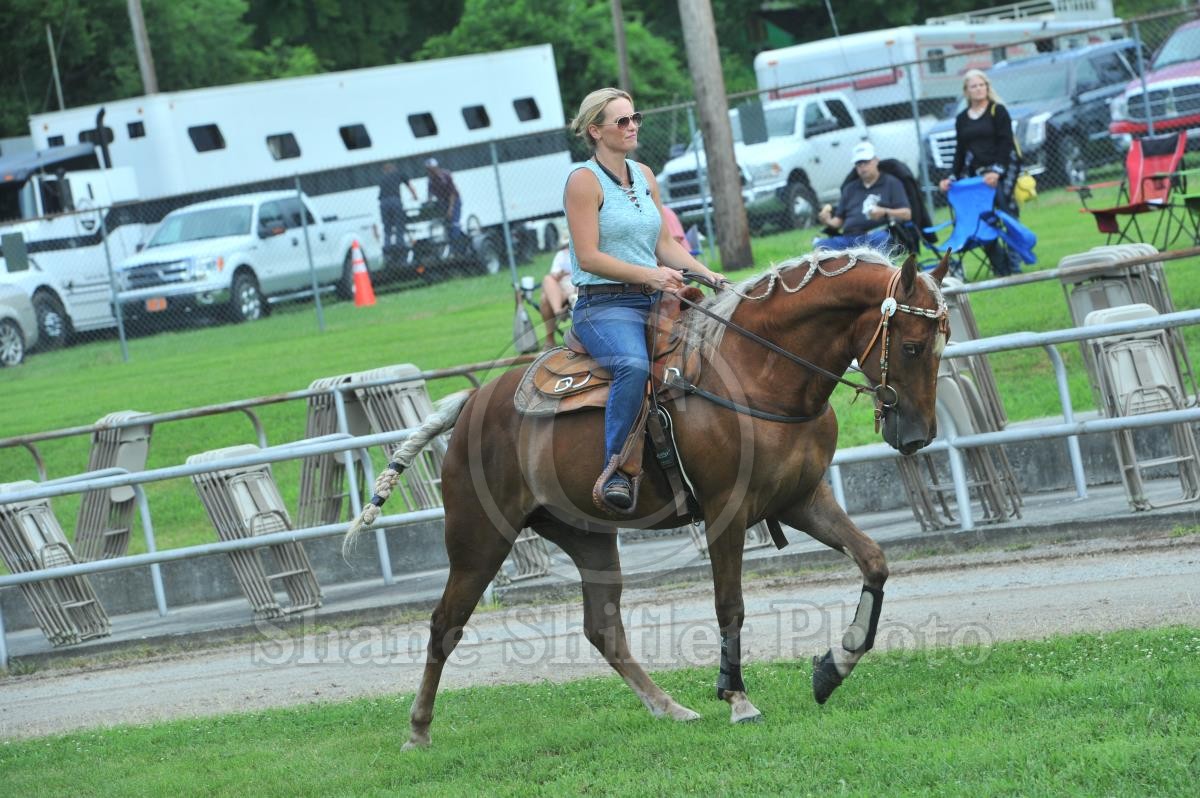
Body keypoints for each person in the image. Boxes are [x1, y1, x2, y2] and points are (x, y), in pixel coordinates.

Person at [564, 87, 724, 512]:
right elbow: (589, 256)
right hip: (603, 306)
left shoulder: (645, 174)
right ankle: (616, 469)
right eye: (622, 121)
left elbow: (664, 242)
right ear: (596, 131)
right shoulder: (583, 181)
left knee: (718, 348)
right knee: (633, 366)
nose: (632, 126)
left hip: (654, 297)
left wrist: (705, 273)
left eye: (635, 118)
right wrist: (651, 275)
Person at [938, 68, 1023, 276]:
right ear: (966, 91)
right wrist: (951, 176)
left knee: (1006, 212)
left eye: (981, 85)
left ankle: (1015, 262)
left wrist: (997, 172)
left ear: (987, 87)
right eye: (973, 86)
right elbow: (960, 151)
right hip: (978, 172)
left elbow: (1006, 143)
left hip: (1003, 167)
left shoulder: (998, 111)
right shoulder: (961, 119)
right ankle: (1001, 267)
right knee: (981, 217)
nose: (978, 89)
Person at [815, 142, 911, 250]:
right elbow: (838, 222)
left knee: (881, 239)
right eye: (858, 164)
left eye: (866, 162)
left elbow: (907, 214)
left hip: (875, 235)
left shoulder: (892, 183)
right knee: (821, 245)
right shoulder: (849, 188)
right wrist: (827, 221)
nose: (862, 167)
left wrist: (884, 212)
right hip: (849, 238)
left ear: (876, 161)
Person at [540, 238, 577, 349]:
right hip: (562, 289)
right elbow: (554, 276)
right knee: (547, 280)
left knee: (545, 299)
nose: (567, 247)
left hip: (577, 286)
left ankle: (550, 340)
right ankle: (558, 311)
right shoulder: (561, 255)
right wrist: (560, 274)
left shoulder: (583, 251)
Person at [378, 162, 417, 248]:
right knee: (399, 224)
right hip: (395, 200)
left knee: (387, 227)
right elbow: (409, 185)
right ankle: (400, 245)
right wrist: (415, 196)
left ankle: (387, 247)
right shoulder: (399, 174)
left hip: (383, 202)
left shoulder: (383, 177)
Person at [424, 157, 463, 242]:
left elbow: (452, 193)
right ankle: (452, 242)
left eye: (431, 169)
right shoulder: (430, 179)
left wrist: (450, 208)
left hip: (453, 201)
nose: (429, 172)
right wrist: (428, 202)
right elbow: (430, 193)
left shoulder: (445, 176)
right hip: (442, 201)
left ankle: (457, 243)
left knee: (454, 223)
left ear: (435, 167)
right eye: (428, 170)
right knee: (446, 225)